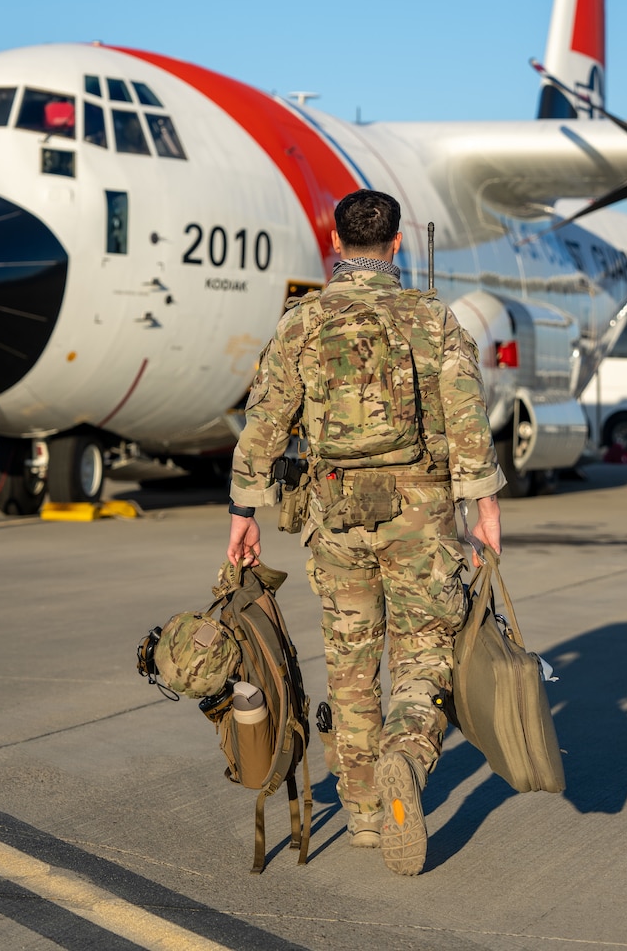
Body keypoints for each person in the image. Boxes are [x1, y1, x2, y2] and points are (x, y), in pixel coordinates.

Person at [226, 189, 504, 876]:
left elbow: (265, 419)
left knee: (351, 665)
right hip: (422, 516)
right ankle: (405, 760)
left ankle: (365, 816)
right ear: (398, 244)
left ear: (335, 238)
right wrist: (484, 505)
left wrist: (244, 515)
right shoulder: (432, 317)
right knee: (424, 654)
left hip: (336, 513)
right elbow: (466, 410)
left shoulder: (302, 323)